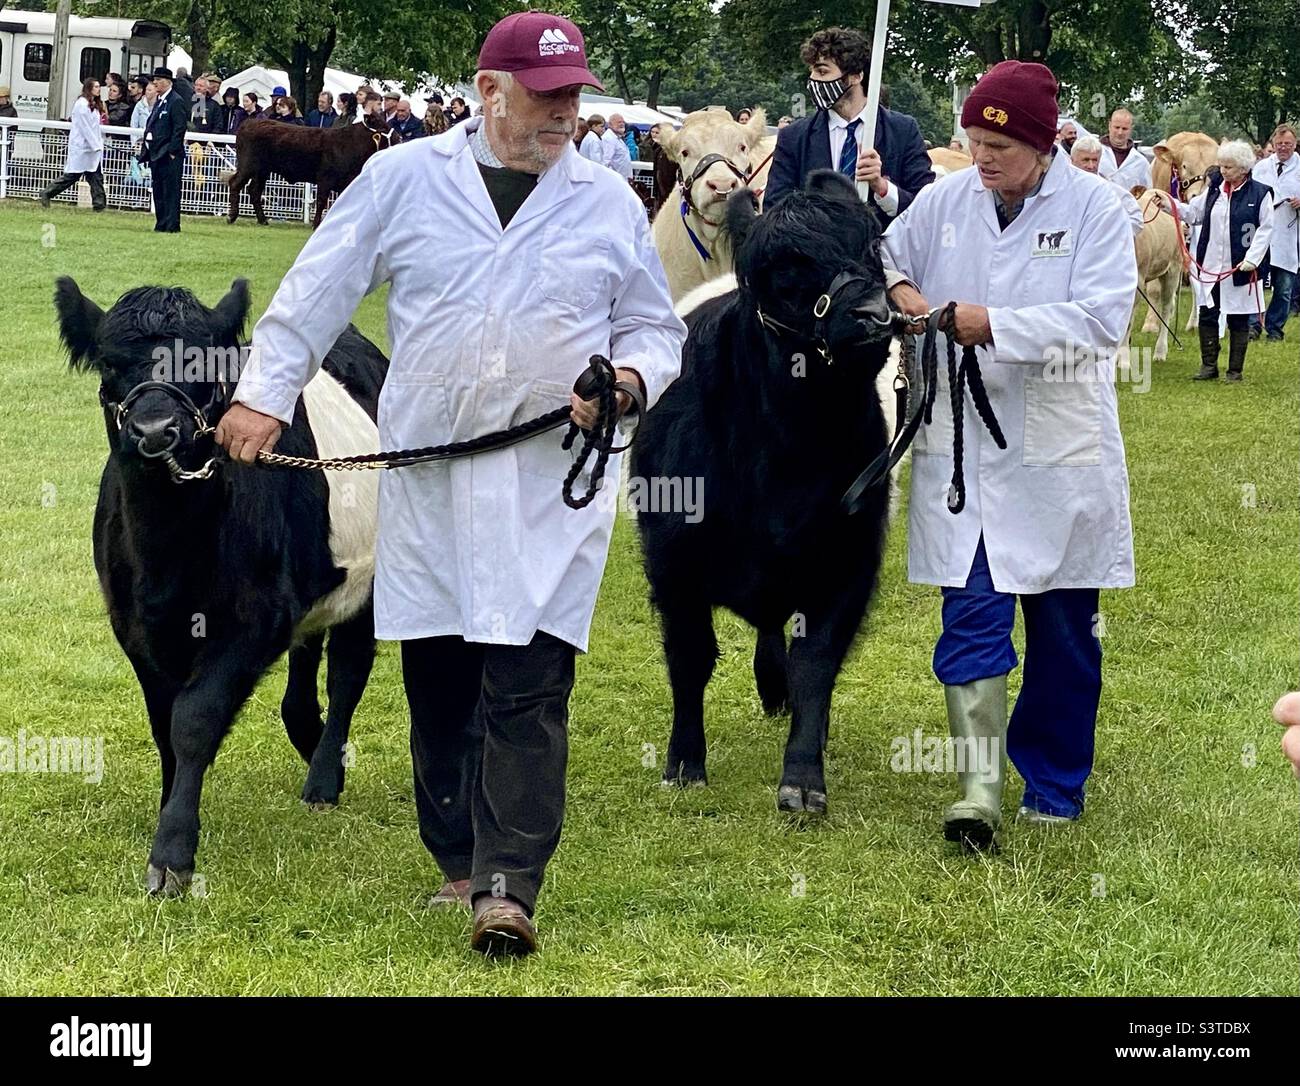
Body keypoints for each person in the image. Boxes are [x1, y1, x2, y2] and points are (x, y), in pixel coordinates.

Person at [214, 10, 685, 957]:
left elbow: (652, 326)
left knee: (530, 679)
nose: (565, 114)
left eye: (573, 95)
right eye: (546, 97)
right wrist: (263, 395)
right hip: (428, 474)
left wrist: (629, 380)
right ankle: (457, 860)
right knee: (439, 677)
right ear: (489, 92)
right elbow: (317, 288)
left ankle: (508, 887)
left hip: (550, 480)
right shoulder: (402, 179)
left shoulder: (604, 201)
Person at [882, 60, 1137, 848]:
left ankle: (1053, 785)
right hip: (962, 444)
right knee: (971, 613)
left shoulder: (1095, 208)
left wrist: (992, 325)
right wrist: (906, 296)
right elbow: (885, 255)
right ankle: (979, 790)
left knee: (1063, 634)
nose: (983, 158)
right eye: (973, 141)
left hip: (1056, 447)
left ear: (1040, 144)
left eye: (1000, 146)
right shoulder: (944, 200)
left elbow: (1102, 320)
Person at [764, 25, 935, 221]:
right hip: (813, 240)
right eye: (812, 71)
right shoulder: (794, 136)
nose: (812, 80)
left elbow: (926, 206)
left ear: (855, 76)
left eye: (822, 71)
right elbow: (774, 208)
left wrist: (882, 188)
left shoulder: (903, 131)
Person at [1155, 139, 1274, 381]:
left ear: (1243, 169)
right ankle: (1209, 366)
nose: (1223, 171)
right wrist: (1169, 204)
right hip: (1211, 265)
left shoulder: (1261, 194)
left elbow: (1266, 229)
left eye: (1228, 167)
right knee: (1208, 312)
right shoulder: (1215, 190)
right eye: (1221, 166)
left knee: (1238, 317)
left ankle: (1234, 370)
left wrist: (1252, 259)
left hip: (1240, 267)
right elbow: (1194, 213)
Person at [1251, 123, 1299, 341]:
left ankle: (1275, 328)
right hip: (1261, 233)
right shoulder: (1261, 168)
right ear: (1273, 144)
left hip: (1289, 233)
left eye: (1288, 143)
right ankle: (1252, 325)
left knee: (1284, 286)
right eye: (1279, 143)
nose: (1283, 147)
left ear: (1295, 144)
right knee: (1254, 283)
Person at [39, 77, 107, 212]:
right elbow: (84, 127)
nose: (99, 89)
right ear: (89, 88)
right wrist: (95, 144)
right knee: (72, 176)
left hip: (92, 147)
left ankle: (99, 204)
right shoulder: (81, 104)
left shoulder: (94, 104)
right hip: (82, 146)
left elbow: (94, 127)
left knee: (95, 175)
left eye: (99, 86)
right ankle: (48, 192)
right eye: (96, 87)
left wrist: (97, 143)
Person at [138, 67, 187, 232]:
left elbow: (179, 128)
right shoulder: (160, 101)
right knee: (158, 190)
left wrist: (172, 151)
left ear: (168, 82)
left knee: (170, 191)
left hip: (169, 154)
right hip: (156, 153)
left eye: (158, 80)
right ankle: (161, 223)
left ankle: (172, 224)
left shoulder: (176, 101)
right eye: (155, 80)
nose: (155, 83)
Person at [1070, 134, 1143, 234]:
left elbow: (1136, 220)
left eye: (1094, 160)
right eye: (1086, 160)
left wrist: (1109, 235)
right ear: (1072, 161)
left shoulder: (1114, 191)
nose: (1091, 166)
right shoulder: (1060, 190)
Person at [1098, 108, 1151, 190]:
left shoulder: (1141, 163)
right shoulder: (1094, 153)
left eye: (1124, 129)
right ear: (1109, 125)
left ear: (1131, 129)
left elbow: (1148, 192)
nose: (1120, 132)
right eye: (1117, 127)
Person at [602, 112, 633, 178]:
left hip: (622, 179)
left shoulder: (618, 138)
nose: (622, 124)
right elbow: (606, 162)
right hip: (614, 179)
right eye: (619, 122)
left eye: (623, 122)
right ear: (610, 124)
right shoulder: (608, 139)